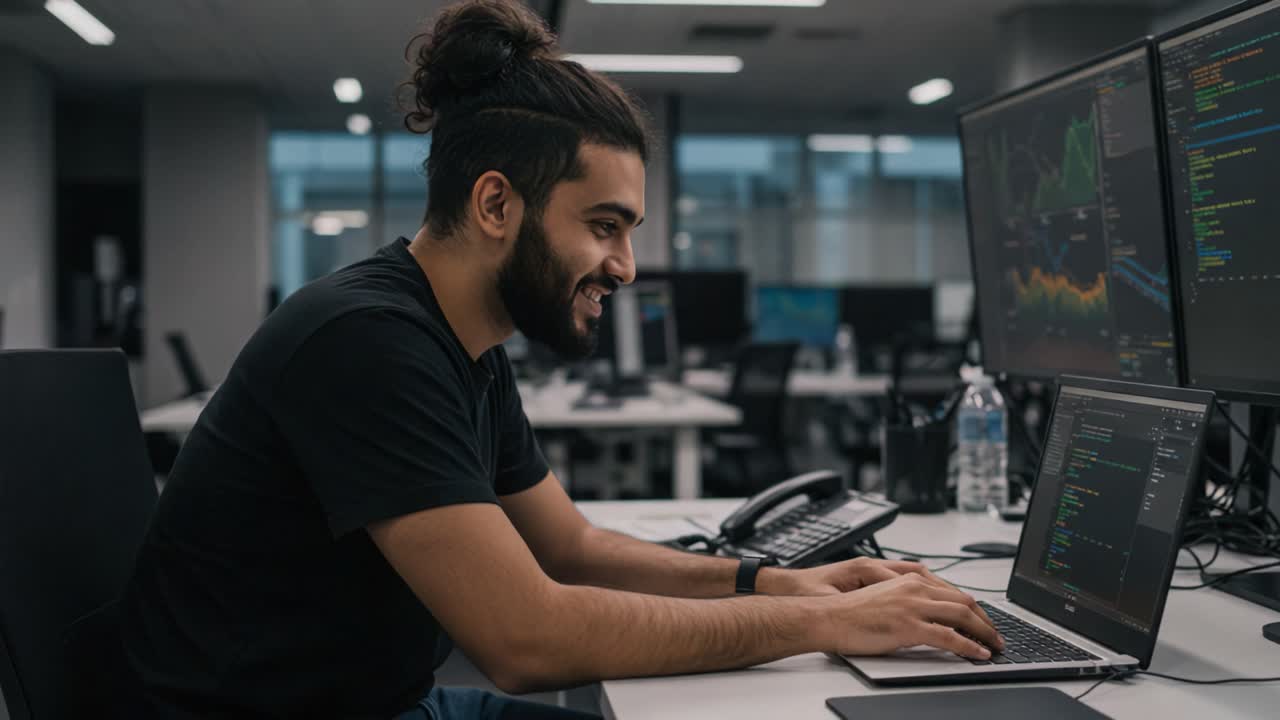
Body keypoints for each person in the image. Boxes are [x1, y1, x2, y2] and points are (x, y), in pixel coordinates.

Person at [119, 1, 1002, 717]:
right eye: (604, 226)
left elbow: (569, 548)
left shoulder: (466, 342)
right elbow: (526, 640)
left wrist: (782, 584)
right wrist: (827, 624)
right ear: (496, 205)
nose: (625, 266)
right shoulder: (367, 341)